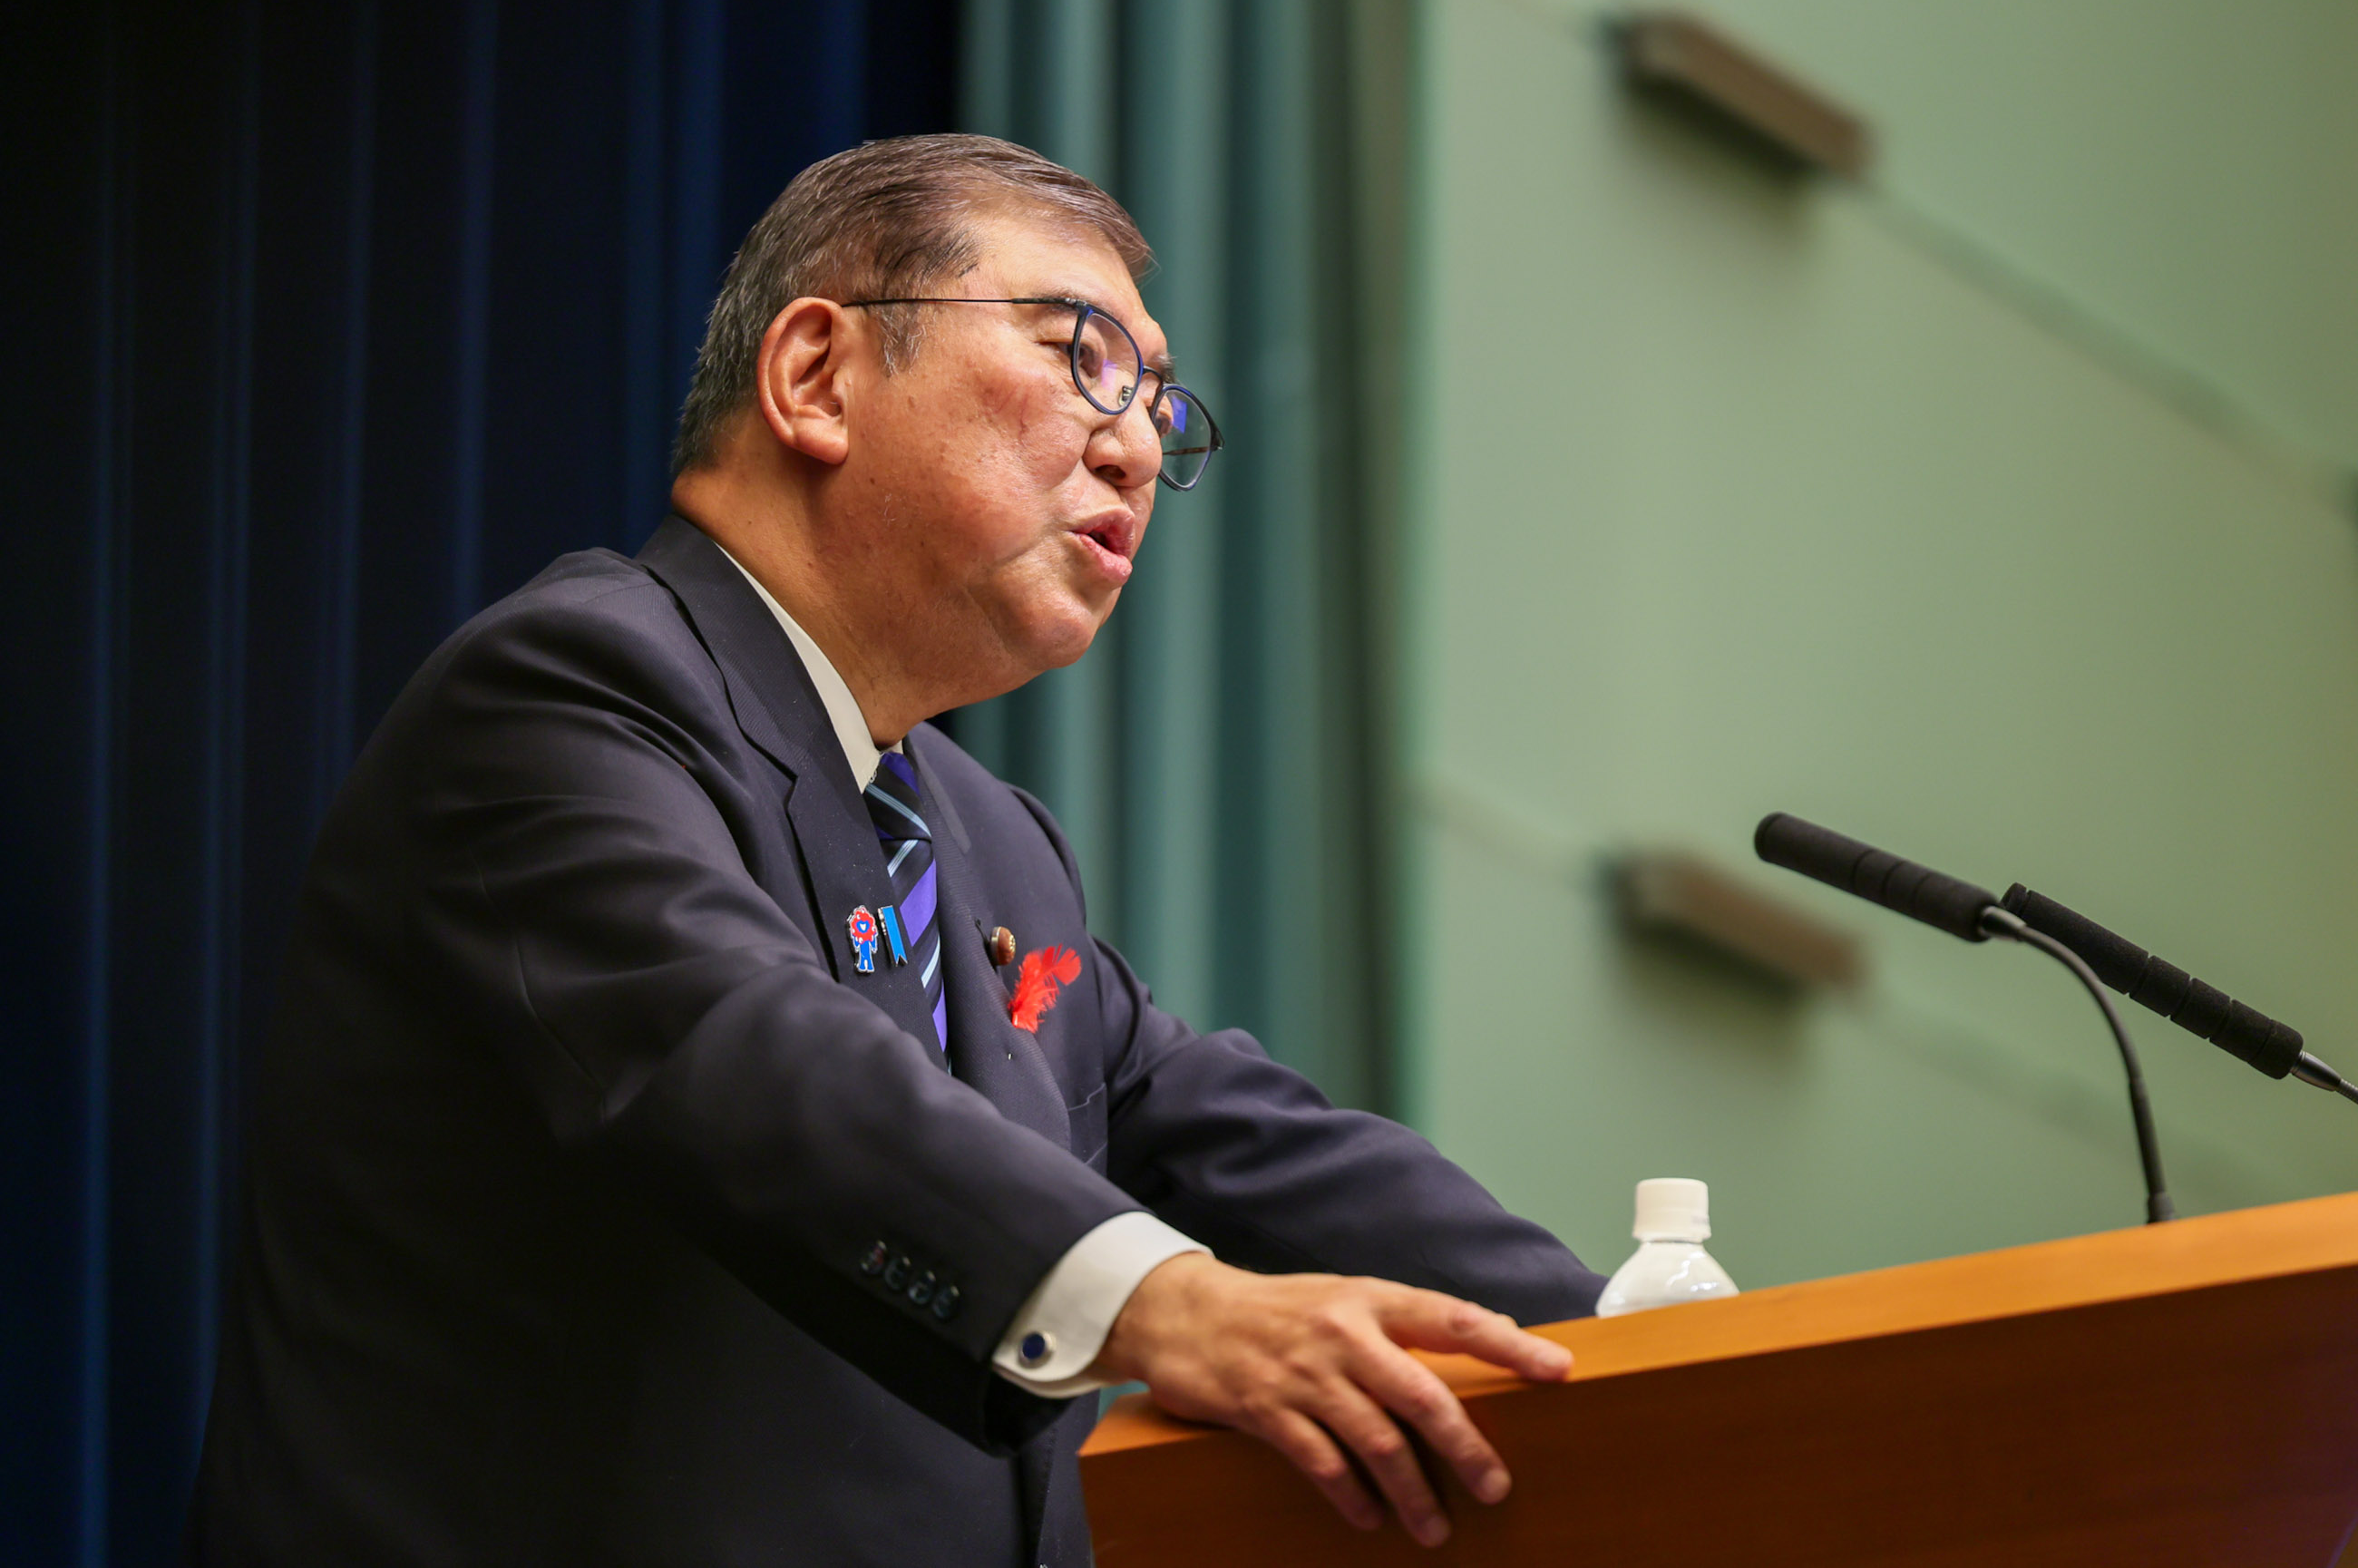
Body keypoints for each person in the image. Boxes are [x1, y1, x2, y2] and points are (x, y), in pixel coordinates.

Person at [188, 134, 1603, 1568]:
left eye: (1159, 403)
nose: (1135, 446)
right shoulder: (567, 691)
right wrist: (1170, 1302)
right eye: (1084, 358)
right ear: (816, 377)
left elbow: (1228, 1132)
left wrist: (1651, 1338)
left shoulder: (991, 845)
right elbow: (741, 1053)